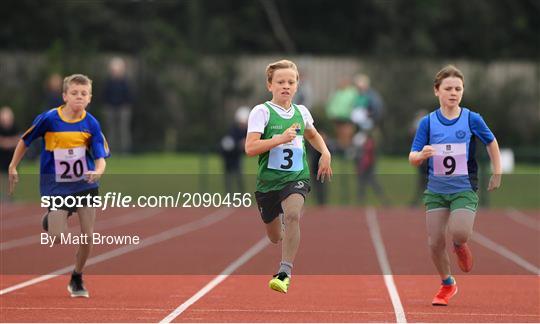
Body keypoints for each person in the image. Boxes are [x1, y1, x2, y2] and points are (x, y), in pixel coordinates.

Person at [9, 74, 110, 298]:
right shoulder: (49, 119)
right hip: (55, 184)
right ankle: (52, 218)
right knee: (57, 236)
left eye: (84, 94)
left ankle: (77, 276)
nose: (79, 98)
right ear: (64, 96)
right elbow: (25, 140)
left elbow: (101, 157)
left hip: (84, 183)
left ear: (90, 98)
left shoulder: (91, 123)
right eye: (74, 93)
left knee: (88, 235)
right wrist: (13, 166)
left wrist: (98, 171)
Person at [409, 65, 501, 306]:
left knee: (460, 232)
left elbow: (491, 142)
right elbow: (412, 156)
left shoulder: (472, 119)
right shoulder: (427, 123)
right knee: (434, 242)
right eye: (448, 88)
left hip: (463, 188)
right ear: (436, 91)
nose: (453, 93)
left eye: (458, 89)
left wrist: (497, 171)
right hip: (436, 189)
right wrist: (422, 155)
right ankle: (447, 283)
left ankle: (460, 245)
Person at [245, 59, 332, 293]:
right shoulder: (261, 112)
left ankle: (284, 272)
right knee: (274, 237)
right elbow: (250, 148)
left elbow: (312, 135)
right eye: (280, 82)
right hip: (268, 184)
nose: (286, 86)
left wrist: (325, 152)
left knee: (293, 214)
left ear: (297, 86)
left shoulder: (302, 112)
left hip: (296, 177)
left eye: (291, 82)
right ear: (269, 85)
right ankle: (282, 231)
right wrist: (279, 139)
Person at [102, 57, 132, 154]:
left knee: (123, 130)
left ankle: (125, 150)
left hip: (123, 108)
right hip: (110, 108)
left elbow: (130, 95)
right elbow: (105, 95)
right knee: (111, 130)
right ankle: (111, 149)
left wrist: (126, 104)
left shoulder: (126, 82)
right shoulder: (108, 82)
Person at [220, 106, 249, 193]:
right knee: (229, 178)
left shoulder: (246, 131)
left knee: (238, 177)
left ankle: (241, 196)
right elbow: (227, 145)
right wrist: (239, 144)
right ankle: (229, 196)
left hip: (237, 157)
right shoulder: (232, 131)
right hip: (228, 157)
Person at [0, 106, 19, 200]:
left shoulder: (15, 127)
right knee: (2, 176)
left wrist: (7, 142)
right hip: (2, 156)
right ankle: (4, 195)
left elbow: (18, 140)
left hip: (11, 156)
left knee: (11, 176)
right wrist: (9, 142)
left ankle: (10, 195)